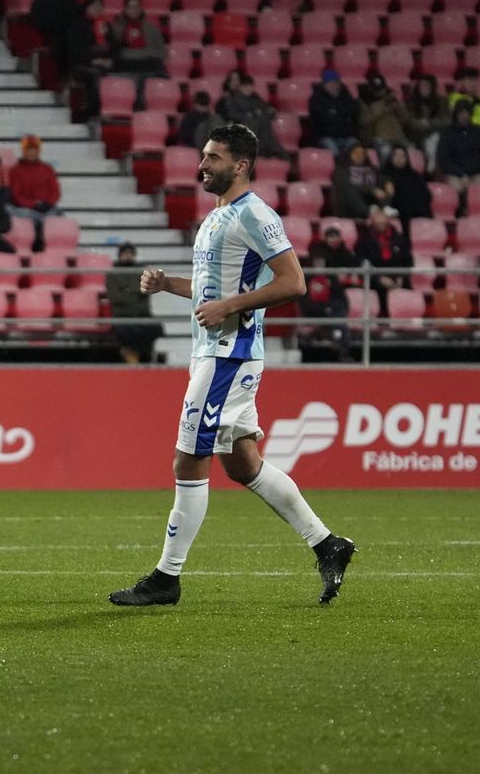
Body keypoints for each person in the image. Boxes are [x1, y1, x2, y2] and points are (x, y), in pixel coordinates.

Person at [109, 123, 355, 609]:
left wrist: (230, 306)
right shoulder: (217, 216)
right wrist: (168, 284)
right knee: (243, 465)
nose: (202, 165)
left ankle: (166, 578)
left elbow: (294, 282)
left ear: (240, 165)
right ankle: (328, 544)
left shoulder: (255, 214)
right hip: (215, 352)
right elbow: (212, 291)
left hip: (228, 354)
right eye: (203, 155)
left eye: (213, 157)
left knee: (188, 458)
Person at [105, 242, 161, 363]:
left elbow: (146, 291)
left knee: (154, 328)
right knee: (127, 331)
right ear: (120, 255)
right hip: (121, 316)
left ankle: (145, 359)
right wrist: (135, 292)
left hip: (142, 314)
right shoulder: (112, 274)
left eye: (131, 253)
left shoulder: (142, 272)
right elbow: (115, 297)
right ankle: (132, 358)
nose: (128, 256)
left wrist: (127, 290)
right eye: (125, 253)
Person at [215, 74, 289, 160]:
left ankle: (267, 149)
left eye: (250, 86)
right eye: (245, 86)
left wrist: (262, 113)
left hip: (257, 128)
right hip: (242, 128)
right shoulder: (232, 99)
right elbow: (232, 114)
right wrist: (251, 115)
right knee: (259, 121)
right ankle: (268, 148)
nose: (248, 89)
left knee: (263, 119)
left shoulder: (255, 98)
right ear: (240, 87)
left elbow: (268, 110)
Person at [354, 205, 412, 309]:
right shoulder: (363, 242)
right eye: (377, 224)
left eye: (383, 223)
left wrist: (402, 277)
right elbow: (361, 263)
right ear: (372, 224)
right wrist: (379, 278)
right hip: (375, 281)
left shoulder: (399, 239)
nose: (380, 226)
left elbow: (408, 261)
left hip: (398, 279)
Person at [28, 0, 84, 76]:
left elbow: (79, 19)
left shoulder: (72, 0)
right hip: (47, 34)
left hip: (69, 34)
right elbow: (36, 20)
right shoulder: (40, 0)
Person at [435, 102, 480, 190]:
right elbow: (443, 159)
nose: (464, 116)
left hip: (475, 172)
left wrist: (474, 168)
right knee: (456, 187)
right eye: (461, 113)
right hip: (454, 173)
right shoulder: (447, 133)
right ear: (456, 114)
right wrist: (460, 173)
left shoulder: (479, 131)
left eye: (467, 113)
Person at [110, 0, 167, 86]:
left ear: (141, 9)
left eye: (137, 6)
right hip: (125, 67)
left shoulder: (152, 28)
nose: (134, 9)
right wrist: (146, 52)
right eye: (131, 7)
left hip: (149, 67)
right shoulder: (116, 29)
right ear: (125, 9)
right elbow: (113, 52)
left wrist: (132, 53)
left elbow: (162, 53)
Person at [7, 135, 62, 226]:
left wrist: (48, 203)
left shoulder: (47, 169)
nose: (32, 153)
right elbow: (16, 195)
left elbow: (55, 191)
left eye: (34, 149)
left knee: (58, 215)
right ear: (24, 151)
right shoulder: (15, 171)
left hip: (47, 208)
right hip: (25, 210)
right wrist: (33, 205)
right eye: (29, 150)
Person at [357, 73, 410, 161]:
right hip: (380, 138)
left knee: (411, 151)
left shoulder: (392, 100)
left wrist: (399, 107)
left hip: (398, 136)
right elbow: (364, 122)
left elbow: (406, 120)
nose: (380, 92)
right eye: (377, 90)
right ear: (370, 89)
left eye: (382, 89)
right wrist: (382, 106)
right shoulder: (365, 102)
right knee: (386, 152)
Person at [330, 142, 387, 219]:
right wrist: (371, 190)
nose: (359, 155)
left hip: (370, 201)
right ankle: (369, 212)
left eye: (362, 153)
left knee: (385, 186)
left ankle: (384, 209)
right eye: (356, 152)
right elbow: (346, 184)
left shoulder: (370, 168)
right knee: (350, 189)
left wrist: (388, 182)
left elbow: (381, 178)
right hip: (348, 206)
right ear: (350, 154)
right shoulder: (341, 169)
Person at [308, 69, 358, 156]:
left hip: (346, 136)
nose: (334, 85)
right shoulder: (317, 98)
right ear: (324, 84)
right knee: (333, 151)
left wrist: (335, 114)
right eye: (330, 83)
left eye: (336, 82)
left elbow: (352, 112)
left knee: (357, 150)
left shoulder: (346, 96)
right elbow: (323, 119)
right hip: (326, 136)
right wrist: (341, 116)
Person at [404, 73, 451, 160]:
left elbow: (447, 120)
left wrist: (429, 123)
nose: (424, 88)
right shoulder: (411, 102)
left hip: (436, 133)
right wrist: (420, 124)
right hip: (416, 136)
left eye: (426, 85)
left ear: (432, 87)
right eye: (421, 85)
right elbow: (408, 120)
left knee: (436, 139)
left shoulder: (442, 101)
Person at [381, 145, 431, 220]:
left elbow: (427, 195)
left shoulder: (414, 175)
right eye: (396, 155)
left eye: (403, 156)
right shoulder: (384, 174)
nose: (399, 158)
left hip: (418, 210)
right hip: (397, 211)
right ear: (391, 157)